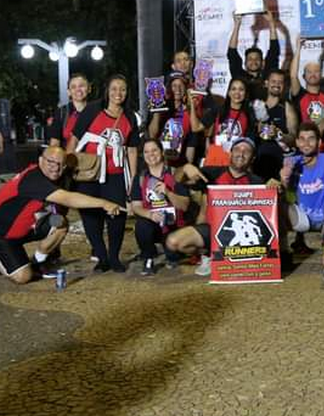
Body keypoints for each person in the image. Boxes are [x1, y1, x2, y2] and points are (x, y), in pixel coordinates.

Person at [0, 147, 122, 284]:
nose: (55, 168)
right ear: (40, 160)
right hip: (3, 235)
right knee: (23, 277)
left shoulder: (55, 175)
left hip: (22, 227)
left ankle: (37, 262)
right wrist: (104, 203)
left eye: (60, 164)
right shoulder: (34, 179)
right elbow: (68, 199)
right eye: (51, 162)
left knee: (60, 222)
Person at [165, 137, 270, 276]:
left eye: (247, 151)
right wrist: (185, 169)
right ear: (230, 153)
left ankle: (239, 259)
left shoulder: (257, 182)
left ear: (253, 157)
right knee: (173, 242)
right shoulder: (211, 173)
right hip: (212, 230)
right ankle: (209, 255)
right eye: (237, 149)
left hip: (242, 235)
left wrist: (275, 188)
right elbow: (177, 180)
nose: (241, 154)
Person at [66, 74, 139, 273]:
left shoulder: (130, 116)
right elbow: (74, 138)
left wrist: (132, 178)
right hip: (88, 171)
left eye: (122, 89)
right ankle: (101, 255)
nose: (118, 93)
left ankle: (114, 256)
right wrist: (67, 163)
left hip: (115, 173)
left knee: (117, 214)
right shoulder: (92, 109)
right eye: (114, 89)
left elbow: (132, 149)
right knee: (90, 214)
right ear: (107, 90)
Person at [129, 139, 191, 275]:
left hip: (174, 225)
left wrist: (168, 193)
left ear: (162, 152)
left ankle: (172, 253)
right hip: (154, 224)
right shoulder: (140, 178)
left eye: (154, 150)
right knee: (141, 225)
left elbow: (185, 206)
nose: (151, 154)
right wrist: (150, 215)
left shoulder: (175, 174)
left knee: (174, 258)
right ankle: (148, 257)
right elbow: (136, 206)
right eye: (146, 152)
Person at [253, 68, 299, 181]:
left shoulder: (287, 107)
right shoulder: (255, 106)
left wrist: (278, 135)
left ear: (284, 86)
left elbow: (294, 137)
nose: (277, 85)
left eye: (280, 82)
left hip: (280, 163)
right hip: (256, 163)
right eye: (273, 81)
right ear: (266, 83)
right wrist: (256, 128)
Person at [198, 77, 257, 165]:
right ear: (229, 92)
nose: (237, 93)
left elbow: (250, 144)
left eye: (241, 89)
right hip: (215, 158)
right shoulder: (218, 110)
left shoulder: (249, 115)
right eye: (233, 89)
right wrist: (192, 104)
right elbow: (196, 128)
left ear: (245, 93)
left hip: (235, 161)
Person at [148, 72, 198, 166]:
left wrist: (185, 170)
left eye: (181, 85)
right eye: (174, 85)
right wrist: (157, 111)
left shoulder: (190, 113)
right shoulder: (159, 109)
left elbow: (191, 146)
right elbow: (152, 135)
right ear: (167, 88)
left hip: (180, 164)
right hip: (158, 163)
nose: (177, 89)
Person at [228, 11, 280, 100]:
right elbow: (232, 52)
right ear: (245, 63)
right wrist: (237, 24)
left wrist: (271, 22)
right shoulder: (240, 76)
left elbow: (274, 50)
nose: (253, 61)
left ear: (262, 62)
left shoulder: (268, 74)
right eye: (250, 59)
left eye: (257, 58)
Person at [289, 35, 324, 125]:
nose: (313, 74)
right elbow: (293, 76)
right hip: (306, 137)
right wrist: (298, 48)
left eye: (316, 71)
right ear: (303, 76)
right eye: (309, 72)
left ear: (321, 75)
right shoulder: (299, 94)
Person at [47, 73, 91, 148]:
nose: (78, 90)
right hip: (69, 157)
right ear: (68, 92)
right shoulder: (61, 113)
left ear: (89, 89)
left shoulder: (97, 111)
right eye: (73, 87)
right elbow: (54, 142)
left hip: (93, 158)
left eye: (81, 86)